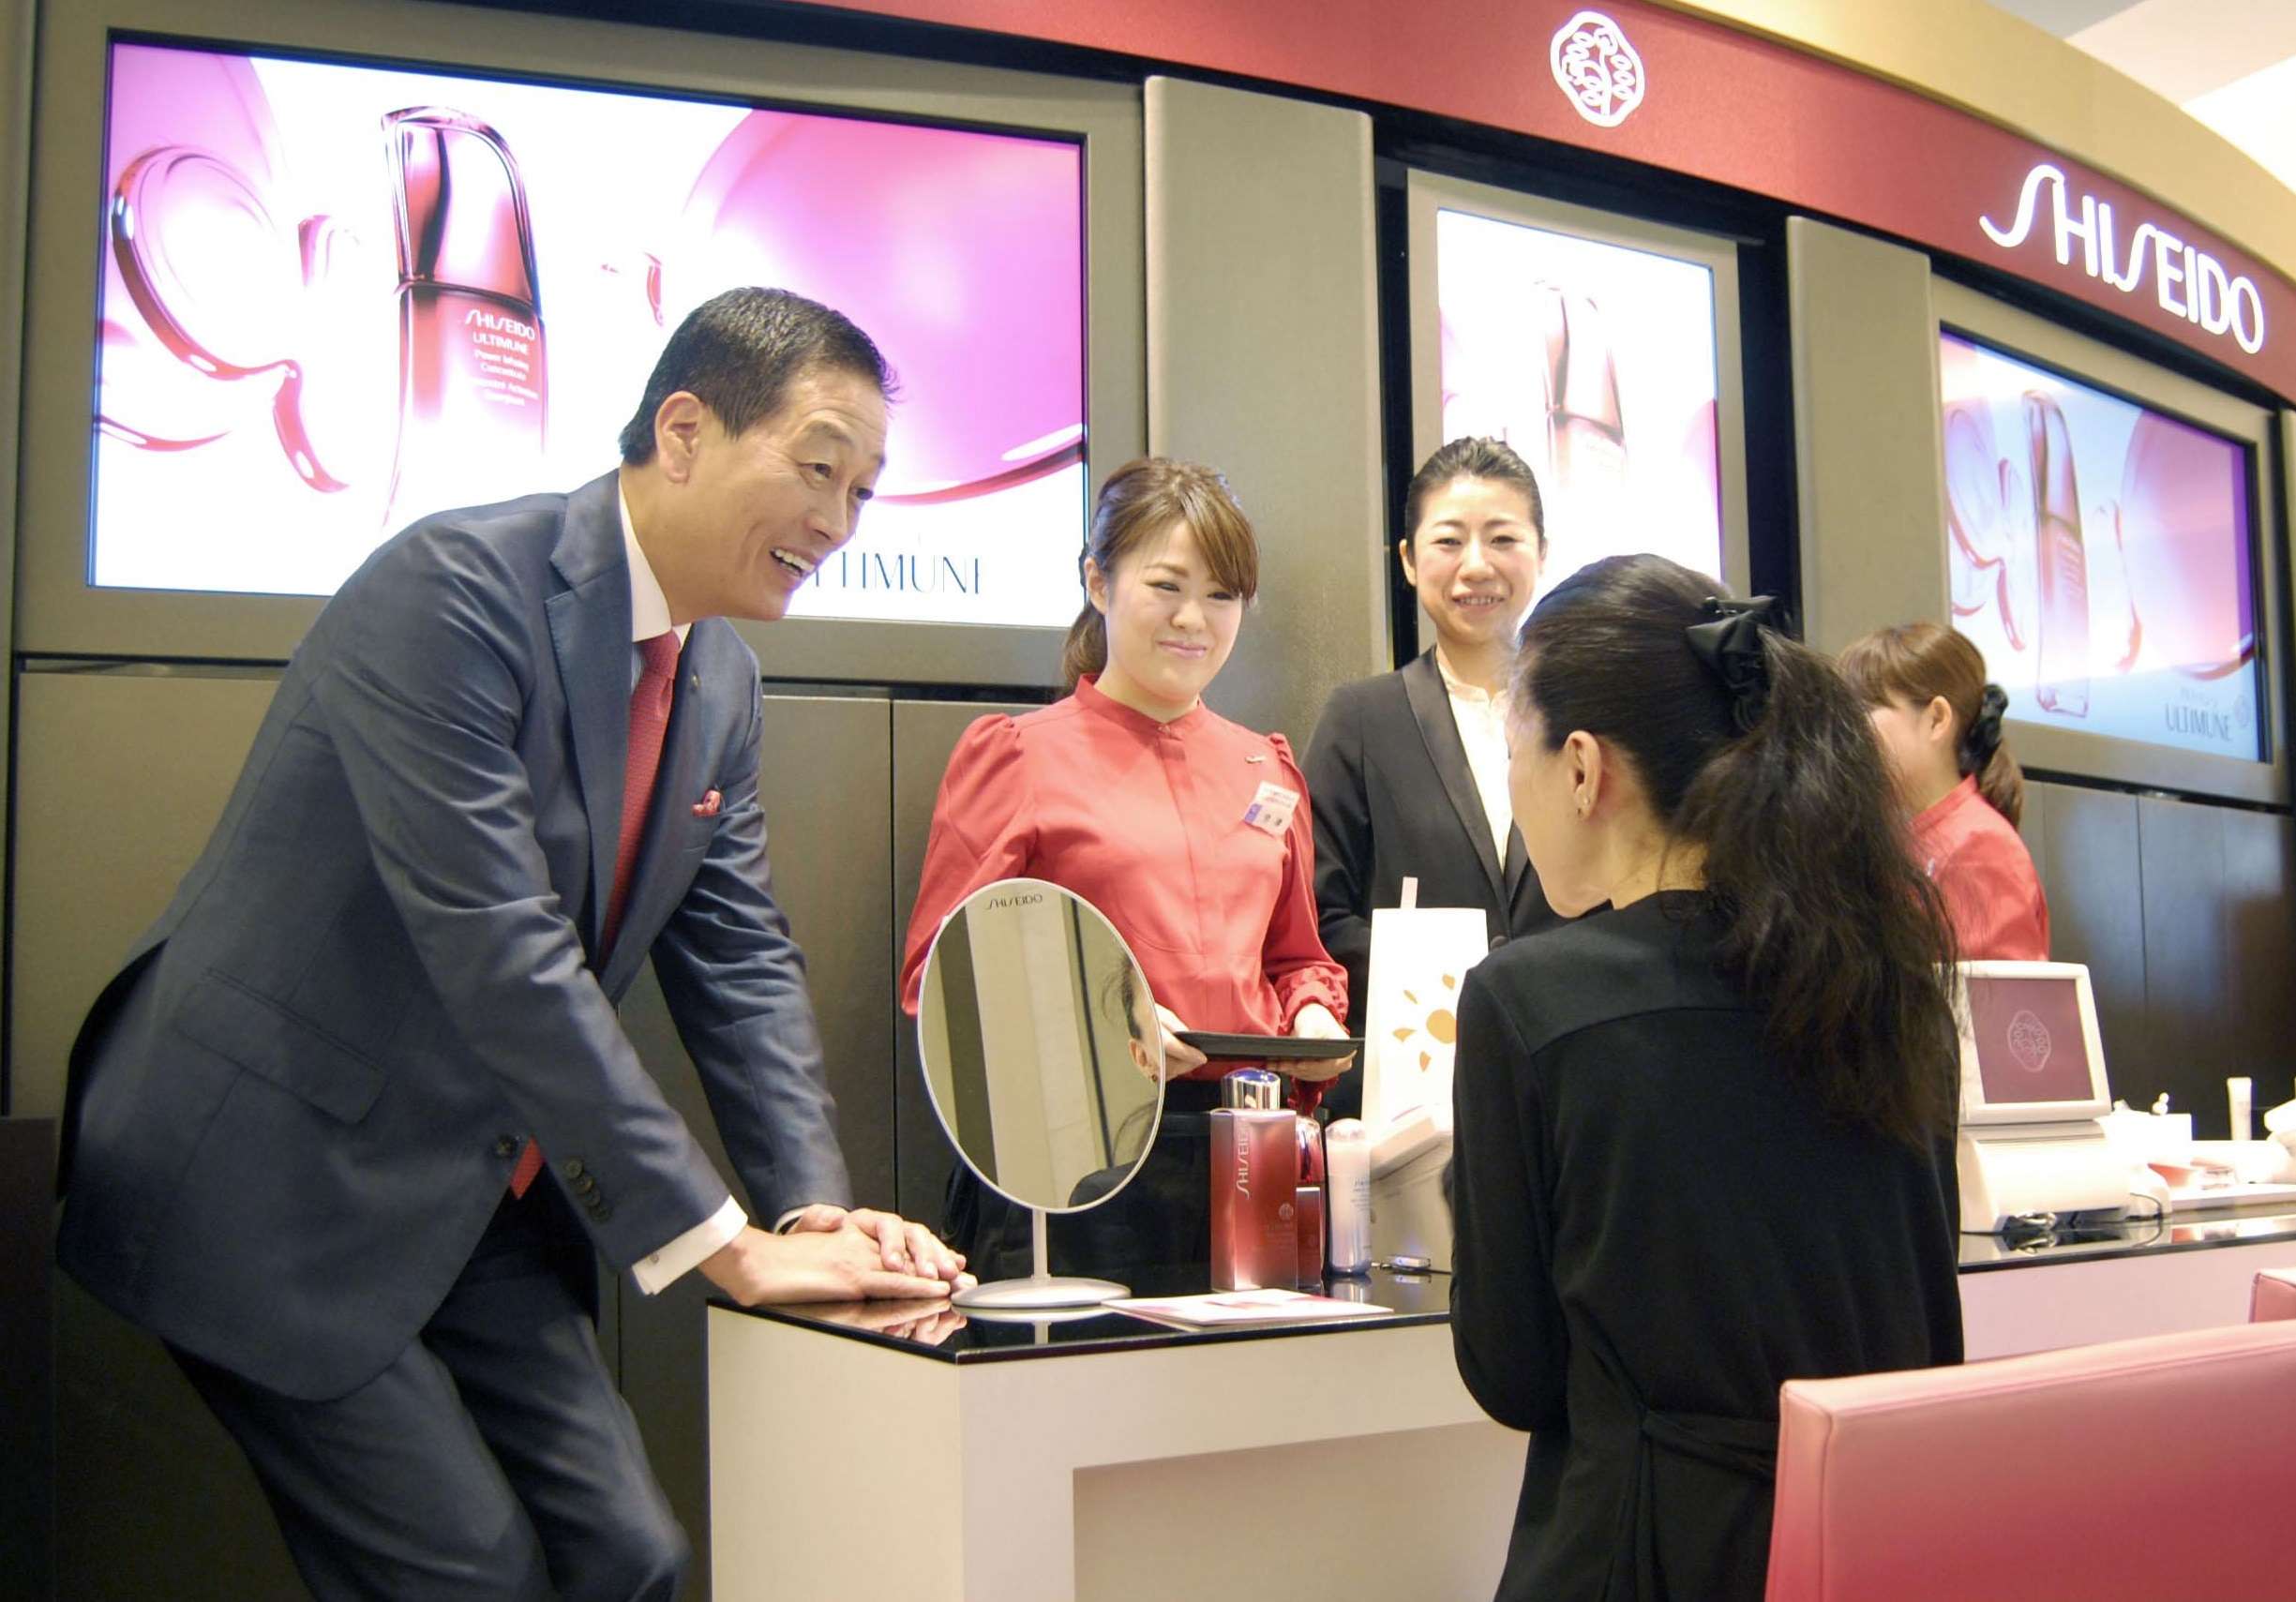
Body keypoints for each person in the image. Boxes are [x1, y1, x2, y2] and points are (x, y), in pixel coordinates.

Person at [55, 287, 968, 1602]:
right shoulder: (454, 589)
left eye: (864, 491)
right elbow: (501, 948)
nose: (838, 521)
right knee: (469, 1572)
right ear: (684, 431)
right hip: (273, 1175)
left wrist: (812, 1209)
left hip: (468, 1190)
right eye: (818, 468)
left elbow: (739, 963)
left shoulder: (718, 679)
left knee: (634, 1554)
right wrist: (727, 1245)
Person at [1448, 556, 1965, 1602]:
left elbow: (1513, 1372)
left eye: (1512, 754)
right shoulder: (1891, 988)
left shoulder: (1528, 1002)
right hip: (1874, 1547)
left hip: (1641, 1553)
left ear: (1583, 768)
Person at [900, 457, 1350, 1280]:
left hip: (1255, 1151)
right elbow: (940, 976)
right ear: (1097, 582)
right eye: (1166, 586)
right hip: (1080, 1156)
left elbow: (1295, 958)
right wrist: (1106, 1023)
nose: (1192, 618)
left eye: (1221, 594)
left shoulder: (1267, 767)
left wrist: (1315, 1018)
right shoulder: (1018, 755)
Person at [1304, 437, 1562, 1120]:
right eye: (1448, 541)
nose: (1476, 565)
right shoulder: (1361, 719)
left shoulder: (1587, 720)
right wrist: (1446, 972)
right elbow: (1315, 915)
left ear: (1542, 552)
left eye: (1502, 538)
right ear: (1409, 560)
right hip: (1408, 1087)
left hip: (1573, 1072)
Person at [1839, 620, 2049, 961]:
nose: (1847, 731)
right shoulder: (1913, 836)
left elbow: (1990, 995)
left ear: (1937, 719)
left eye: (1864, 709)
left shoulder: (1979, 846)